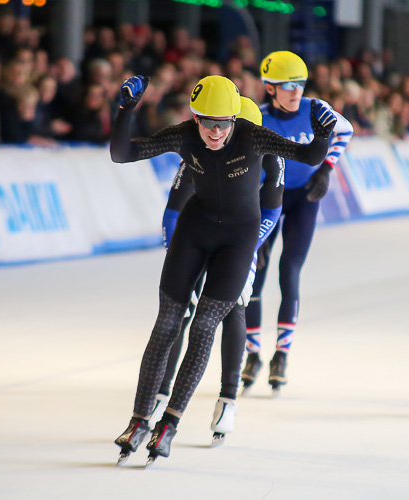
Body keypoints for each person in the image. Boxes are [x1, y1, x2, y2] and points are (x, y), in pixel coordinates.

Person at [110, 74, 336, 465]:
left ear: (235, 120)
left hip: (238, 239)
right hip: (194, 231)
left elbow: (309, 158)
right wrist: (125, 111)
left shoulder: (251, 135)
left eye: (223, 124)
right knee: (166, 324)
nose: (214, 132)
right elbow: (123, 153)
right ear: (194, 118)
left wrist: (321, 136)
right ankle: (138, 419)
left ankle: (170, 424)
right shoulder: (186, 134)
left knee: (203, 327)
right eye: (206, 123)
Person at [150, 97, 278, 447]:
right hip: (199, 229)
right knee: (182, 310)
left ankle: (228, 397)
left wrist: (245, 250)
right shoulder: (205, 148)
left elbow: (272, 209)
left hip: (244, 231)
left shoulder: (269, 155)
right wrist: (177, 255)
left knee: (234, 305)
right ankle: (161, 391)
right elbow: (173, 211)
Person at [242, 51, 354, 395]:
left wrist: (326, 169)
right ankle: (252, 354)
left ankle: (281, 356)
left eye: (300, 84)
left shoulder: (315, 108)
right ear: (270, 88)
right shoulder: (257, 118)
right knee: (255, 274)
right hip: (269, 198)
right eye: (288, 85)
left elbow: (345, 130)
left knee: (289, 271)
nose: (296, 91)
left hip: (304, 198)